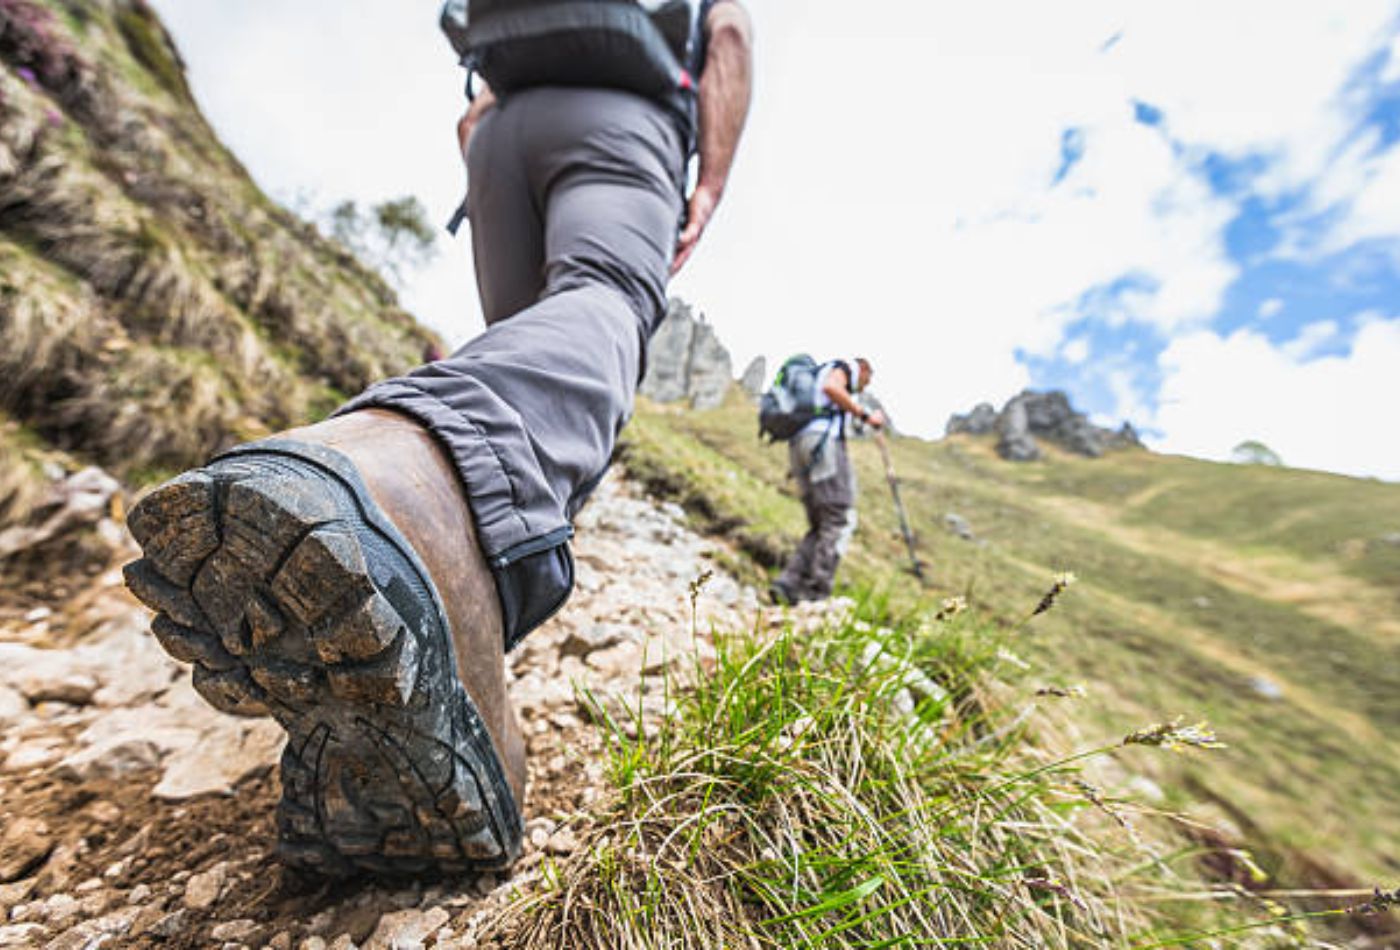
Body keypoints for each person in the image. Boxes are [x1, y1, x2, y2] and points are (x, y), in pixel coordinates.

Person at [123, 1, 753, 878]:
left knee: (528, 349)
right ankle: (404, 494)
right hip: (623, 119)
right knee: (604, 300)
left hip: (499, 134)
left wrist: (489, 139)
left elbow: (472, 110)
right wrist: (708, 180)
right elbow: (729, 34)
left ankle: (433, 644)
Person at [770, 358, 885, 606]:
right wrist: (865, 415)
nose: (865, 386)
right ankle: (816, 591)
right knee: (839, 516)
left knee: (819, 523)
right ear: (864, 369)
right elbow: (832, 388)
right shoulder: (845, 368)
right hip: (822, 445)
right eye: (867, 380)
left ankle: (788, 583)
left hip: (800, 446)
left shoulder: (815, 378)